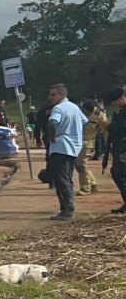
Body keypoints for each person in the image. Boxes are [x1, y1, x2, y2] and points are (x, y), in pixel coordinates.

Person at [46, 84, 87, 221]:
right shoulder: (75, 107)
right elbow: (85, 122)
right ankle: (68, 207)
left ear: (61, 95)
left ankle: (67, 210)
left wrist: (52, 136)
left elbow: (52, 123)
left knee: (61, 180)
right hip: (74, 148)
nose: (50, 97)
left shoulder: (57, 108)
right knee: (67, 179)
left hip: (60, 147)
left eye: (53, 94)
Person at [76, 99, 108, 195]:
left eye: (90, 111)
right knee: (78, 164)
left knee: (81, 164)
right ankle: (93, 183)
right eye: (87, 111)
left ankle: (85, 188)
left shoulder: (99, 114)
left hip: (87, 142)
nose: (88, 113)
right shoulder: (77, 110)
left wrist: (107, 143)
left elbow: (105, 129)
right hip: (75, 141)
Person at [105, 87, 126, 214]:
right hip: (120, 147)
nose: (113, 104)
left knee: (118, 173)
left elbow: (121, 129)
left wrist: (107, 126)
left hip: (124, 148)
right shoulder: (121, 111)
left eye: (115, 101)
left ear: (122, 98)